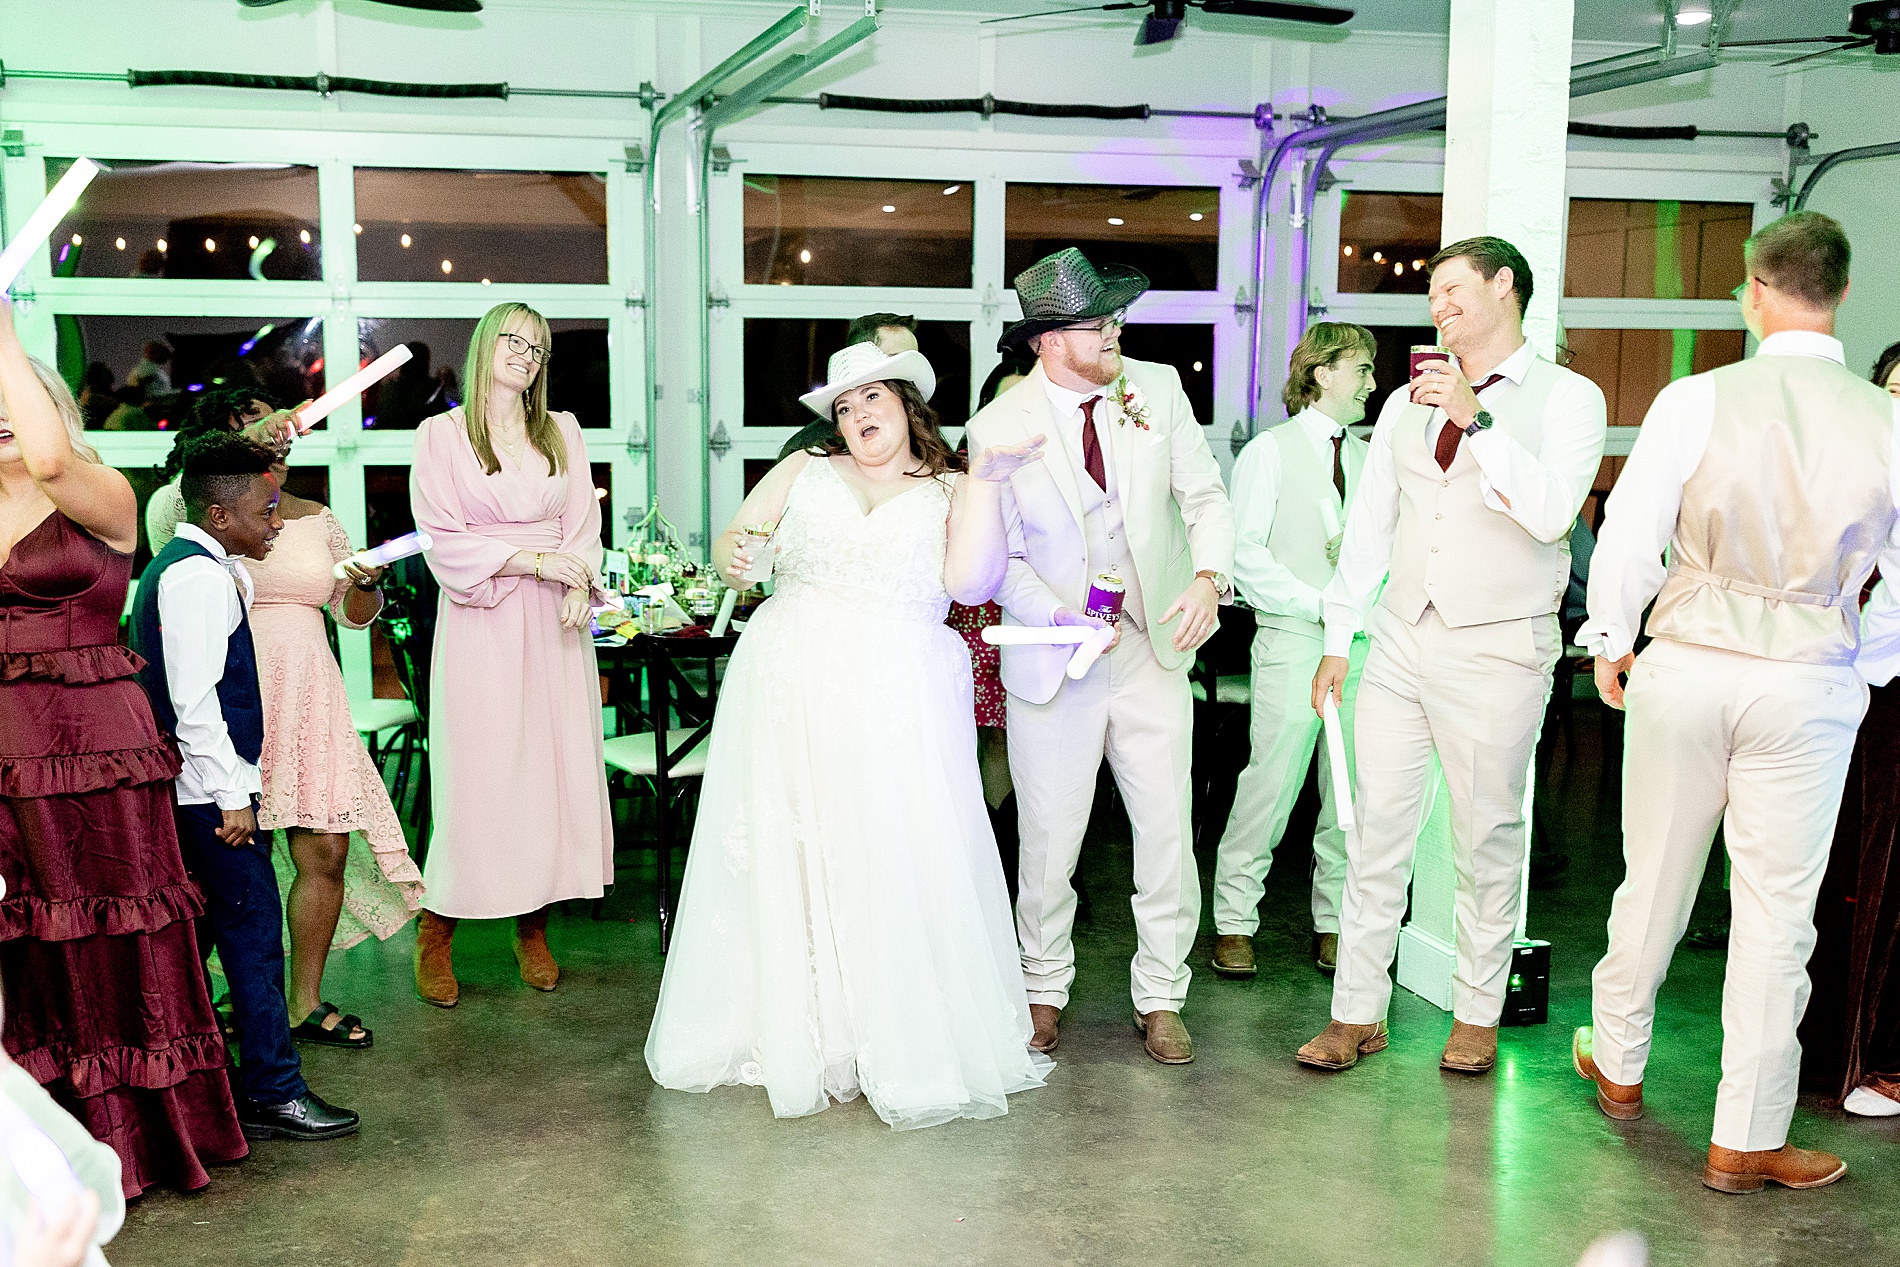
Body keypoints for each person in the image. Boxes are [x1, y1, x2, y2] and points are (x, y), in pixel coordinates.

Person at [646, 340, 1052, 1129]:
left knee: (886, 850)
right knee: (795, 849)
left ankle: (886, 1032)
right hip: (790, 682)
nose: (858, 414)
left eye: (873, 398)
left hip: (897, 692)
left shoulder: (949, 488)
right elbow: (736, 550)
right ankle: (807, 1033)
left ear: (906, 404)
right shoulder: (804, 471)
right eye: (844, 404)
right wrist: (739, 560)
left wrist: (986, 485)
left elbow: (971, 584)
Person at [1575, 213, 1900, 1192]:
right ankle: (1744, 1137)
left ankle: (1620, 1065)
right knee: (1774, 914)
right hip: (1807, 676)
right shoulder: (1888, 419)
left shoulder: (1694, 397)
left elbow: (1632, 531)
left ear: (1753, 291)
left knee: (1655, 879)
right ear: (1841, 293)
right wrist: (1866, 663)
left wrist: (1609, 637)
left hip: (1685, 662)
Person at [1300, 236, 1607, 1076]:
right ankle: (1355, 1011)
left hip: (1500, 648)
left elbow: (1549, 516)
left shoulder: (1570, 399)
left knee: (1488, 837)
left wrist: (1478, 418)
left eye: (1452, 289)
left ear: (1505, 287)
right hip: (1399, 640)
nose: (1437, 304)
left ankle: (1476, 1013)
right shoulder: (1405, 403)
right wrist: (1337, 636)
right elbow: (1371, 525)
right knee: (1374, 834)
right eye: (1432, 293)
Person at [0, 299, 250, 1196]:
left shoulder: (101, 488)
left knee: (114, 928)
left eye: (15, 393)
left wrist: (3, 336)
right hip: (8, 755)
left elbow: (49, 458)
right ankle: (39, 1146)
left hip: (100, 744)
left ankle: (136, 1138)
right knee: (30, 941)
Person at [966, 248, 1237, 1065]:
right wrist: (1059, 616)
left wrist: (1207, 577)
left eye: (1117, 318)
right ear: (1049, 341)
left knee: (1166, 831)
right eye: (1099, 323)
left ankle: (1161, 993)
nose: (1116, 331)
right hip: (1054, 662)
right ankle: (1042, 988)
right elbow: (997, 563)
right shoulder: (997, 428)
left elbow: (1205, 495)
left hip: (1152, 652)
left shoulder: (1156, 389)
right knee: (1050, 839)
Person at [129, 430, 359, 1143]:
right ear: (221, 514)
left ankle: (206, 1086)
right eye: (266, 509)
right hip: (210, 798)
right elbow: (195, 702)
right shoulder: (197, 577)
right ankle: (273, 1090)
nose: (278, 520)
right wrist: (234, 794)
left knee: (203, 942)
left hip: (194, 794)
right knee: (255, 942)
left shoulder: (193, 565)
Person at [408, 302, 611, 1007]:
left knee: (548, 776)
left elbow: (583, 523)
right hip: (483, 621)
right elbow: (440, 534)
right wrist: (532, 559)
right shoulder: (441, 435)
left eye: (539, 346)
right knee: (481, 780)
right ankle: (437, 927)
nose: (527, 354)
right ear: (485, 346)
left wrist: (580, 576)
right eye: (515, 340)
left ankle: (533, 925)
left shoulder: (563, 432)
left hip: (554, 624)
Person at [1210, 322, 1375, 980]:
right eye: (1361, 367)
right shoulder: (1270, 453)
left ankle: (1334, 920)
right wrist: (1320, 603)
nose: (1371, 381)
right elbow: (1244, 554)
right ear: (1321, 372)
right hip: (1292, 637)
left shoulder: (1366, 459)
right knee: (1271, 783)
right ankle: (1233, 920)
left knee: (1350, 790)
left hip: (1360, 646)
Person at [248, 448, 424, 1047]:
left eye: (287, 437)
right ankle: (240, 994)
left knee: (325, 849)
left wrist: (366, 588)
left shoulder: (318, 517)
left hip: (309, 691)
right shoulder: (193, 507)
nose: (280, 444)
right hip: (236, 685)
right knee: (235, 854)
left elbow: (351, 614)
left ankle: (304, 999)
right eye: (263, 427)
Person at [950, 351, 1038, 894]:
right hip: (976, 610)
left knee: (1025, 733)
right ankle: (980, 853)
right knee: (980, 735)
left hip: (1036, 608)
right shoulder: (964, 460)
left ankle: (1026, 858)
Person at [146, 386, 298, 552]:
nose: (277, 437)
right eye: (256, 426)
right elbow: (197, 482)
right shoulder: (175, 500)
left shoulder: (311, 511)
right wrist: (258, 435)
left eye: (279, 428)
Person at [778, 314, 920, 460]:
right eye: (894, 361)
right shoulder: (808, 449)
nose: (907, 374)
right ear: (858, 358)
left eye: (914, 362)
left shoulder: (924, 439)